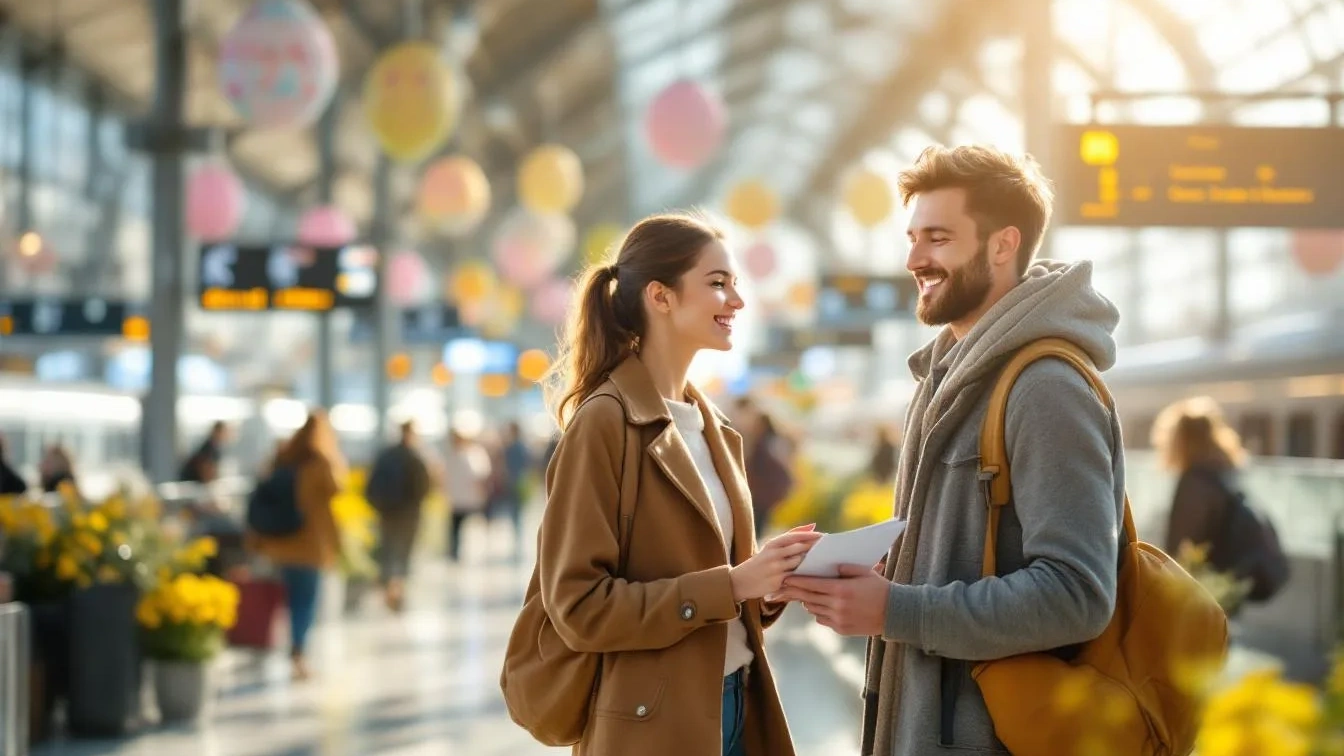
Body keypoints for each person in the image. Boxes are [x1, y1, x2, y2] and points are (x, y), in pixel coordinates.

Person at [776, 145, 1126, 755]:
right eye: (912, 238)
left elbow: (1077, 594)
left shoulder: (1045, 389)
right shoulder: (944, 379)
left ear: (1001, 245)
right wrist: (882, 578)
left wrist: (898, 611)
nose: (914, 259)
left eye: (936, 238)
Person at [532, 212, 821, 756]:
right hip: (652, 723)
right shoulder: (605, 421)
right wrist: (733, 584)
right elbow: (578, 607)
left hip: (738, 701)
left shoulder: (711, 424)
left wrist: (775, 579)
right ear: (660, 298)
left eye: (736, 283)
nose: (736, 300)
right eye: (717, 283)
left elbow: (718, 589)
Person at [247, 410, 345, 681]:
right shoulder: (321, 464)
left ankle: (290, 646)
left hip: (282, 543)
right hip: (309, 544)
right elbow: (338, 487)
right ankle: (298, 652)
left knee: (289, 598)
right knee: (305, 601)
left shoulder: (284, 458)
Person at [365, 421, 431, 613]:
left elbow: (370, 485)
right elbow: (424, 487)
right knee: (404, 553)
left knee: (388, 550)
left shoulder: (386, 455)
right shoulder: (415, 457)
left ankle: (389, 588)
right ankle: (397, 590)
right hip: (409, 514)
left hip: (387, 513)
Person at [733, 398, 795, 537]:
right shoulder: (768, 442)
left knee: (757, 527)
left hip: (760, 493)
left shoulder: (765, 444)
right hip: (761, 493)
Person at [443, 429, 491, 562]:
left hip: (470, 497)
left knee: (471, 526)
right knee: (455, 527)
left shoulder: (474, 453)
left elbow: (481, 474)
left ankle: (471, 551)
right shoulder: (451, 455)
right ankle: (455, 552)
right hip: (456, 498)